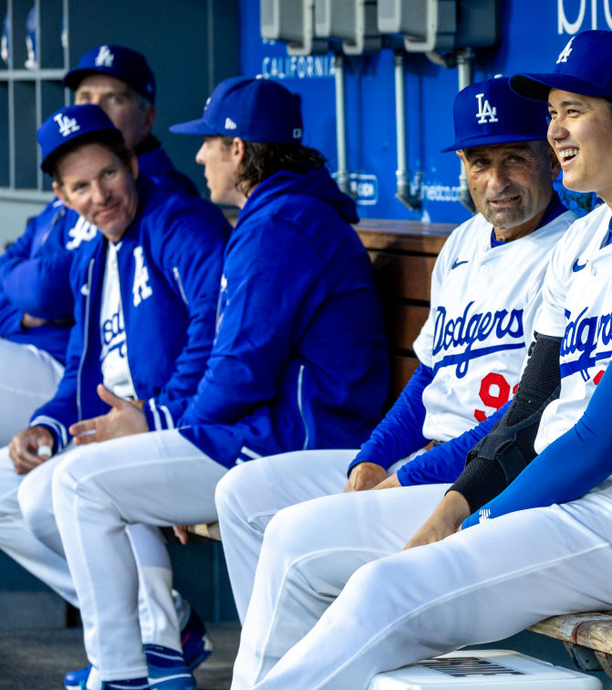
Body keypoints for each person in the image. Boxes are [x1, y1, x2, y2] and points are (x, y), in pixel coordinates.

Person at [230, 30, 612, 690]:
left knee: (386, 591)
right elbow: (532, 404)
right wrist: (455, 506)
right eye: (552, 114)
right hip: (565, 499)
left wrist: (475, 523)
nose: (556, 132)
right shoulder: (586, 238)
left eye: (574, 111)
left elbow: (601, 443)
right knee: (297, 547)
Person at [49, 76, 389, 690]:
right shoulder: (283, 213)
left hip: (299, 441)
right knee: (92, 479)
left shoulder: (282, 224)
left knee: (79, 483)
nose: (199, 155)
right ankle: (134, 665)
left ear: (238, 150)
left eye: (209, 142)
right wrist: (176, 454)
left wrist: (182, 439)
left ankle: (124, 674)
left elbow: (240, 368)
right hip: (279, 429)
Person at [212, 75, 575, 623]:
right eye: (479, 162)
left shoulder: (573, 250)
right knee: (241, 495)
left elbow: (529, 411)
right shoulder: (462, 243)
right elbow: (429, 375)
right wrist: (373, 457)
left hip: (485, 475)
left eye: (515, 158)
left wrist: (406, 476)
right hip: (421, 460)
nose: (496, 181)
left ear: (550, 158)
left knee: (294, 536)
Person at [0, 103, 229, 690]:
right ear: (61, 195)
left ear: (131, 162)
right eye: (80, 186)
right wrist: (47, 428)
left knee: (81, 485)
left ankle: (130, 664)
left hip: (184, 426)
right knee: (15, 487)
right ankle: (159, 639)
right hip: (121, 426)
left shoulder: (181, 225)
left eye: (107, 174)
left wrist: (157, 418)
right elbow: (79, 368)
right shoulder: (93, 257)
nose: (99, 195)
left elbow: (217, 336)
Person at [0, 45, 196, 446]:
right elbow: (12, 266)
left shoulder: (142, 199)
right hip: (51, 368)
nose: (97, 109)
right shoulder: (69, 193)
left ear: (148, 117)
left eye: (115, 98)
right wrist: (20, 316)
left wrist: (25, 302)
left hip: (80, 377)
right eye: (87, 97)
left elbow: (46, 290)